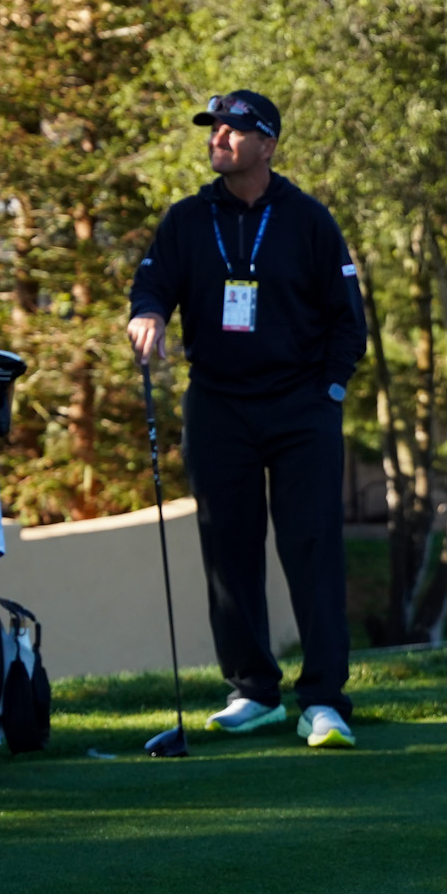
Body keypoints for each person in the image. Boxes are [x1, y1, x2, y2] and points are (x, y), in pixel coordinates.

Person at [126, 90, 369, 749]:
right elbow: (152, 284)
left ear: (267, 144)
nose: (219, 138)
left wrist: (330, 391)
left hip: (301, 407)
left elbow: (349, 321)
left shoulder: (308, 219)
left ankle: (323, 699)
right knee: (227, 551)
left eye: (234, 129)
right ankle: (253, 691)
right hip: (218, 404)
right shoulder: (187, 219)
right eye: (214, 128)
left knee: (312, 551)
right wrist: (148, 313)